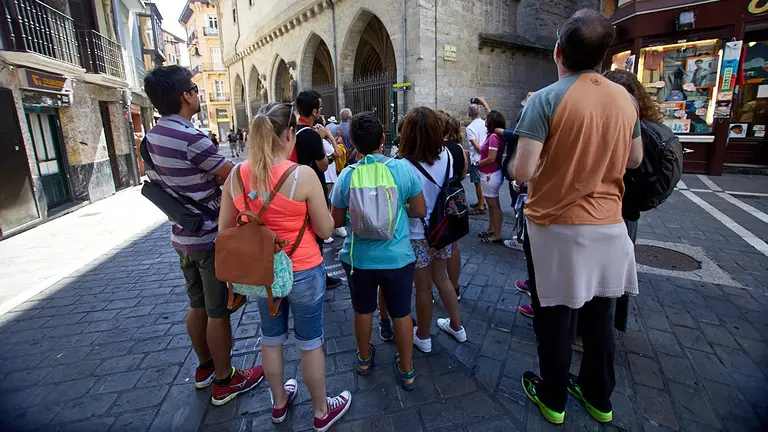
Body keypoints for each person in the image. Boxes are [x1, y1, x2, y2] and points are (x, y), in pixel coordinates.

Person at [510, 9, 643, 425]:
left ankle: (553, 399)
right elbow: (635, 159)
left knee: (554, 316)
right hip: (609, 225)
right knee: (599, 318)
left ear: (558, 52)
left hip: (556, 227)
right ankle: (599, 398)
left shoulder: (545, 99)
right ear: (604, 57)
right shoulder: (626, 99)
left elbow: (522, 171)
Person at [219, 103, 351, 429]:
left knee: (271, 338)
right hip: (304, 269)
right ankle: (321, 411)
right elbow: (325, 229)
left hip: (263, 273)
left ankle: (278, 403)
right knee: (310, 343)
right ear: (290, 134)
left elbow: (225, 231)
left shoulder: (236, 176)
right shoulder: (302, 176)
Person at [143, 66, 262, 406]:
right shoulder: (191, 138)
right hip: (210, 237)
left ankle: (205, 367)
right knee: (217, 311)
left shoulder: (150, 140)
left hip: (182, 236)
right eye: (194, 89)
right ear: (185, 95)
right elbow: (232, 176)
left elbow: (166, 182)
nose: (197, 94)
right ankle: (225, 380)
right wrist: (214, 180)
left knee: (196, 304)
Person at [330, 111, 427, 390]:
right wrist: (398, 209)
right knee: (401, 312)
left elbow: (336, 220)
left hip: (359, 259)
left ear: (353, 143)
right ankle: (407, 369)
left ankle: (364, 359)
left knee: (362, 310)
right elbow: (420, 210)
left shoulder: (347, 176)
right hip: (398, 257)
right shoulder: (402, 170)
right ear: (383, 139)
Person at [399, 107, 466, 353]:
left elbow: (404, 203)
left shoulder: (404, 165)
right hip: (442, 228)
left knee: (423, 287)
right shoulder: (447, 155)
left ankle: (423, 336)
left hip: (418, 234)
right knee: (442, 278)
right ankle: (457, 327)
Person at [604, 68, 666, 332]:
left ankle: (595, 331)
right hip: (630, 209)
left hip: (616, 207)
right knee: (618, 271)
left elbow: (629, 163)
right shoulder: (646, 125)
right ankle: (613, 323)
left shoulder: (628, 127)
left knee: (607, 273)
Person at [294, 90, 342, 290]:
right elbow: (323, 165)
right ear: (314, 111)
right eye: (320, 107)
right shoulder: (312, 136)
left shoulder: (293, 130)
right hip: (313, 186)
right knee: (318, 232)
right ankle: (320, 274)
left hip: (295, 184)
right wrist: (324, 138)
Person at [439, 111, 467, 301]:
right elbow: (463, 174)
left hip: (437, 201)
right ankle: (454, 286)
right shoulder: (458, 148)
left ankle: (431, 288)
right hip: (454, 199)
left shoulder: (434, 149)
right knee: (454, 246)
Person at [313, 116, 347, 242]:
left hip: (328, 174)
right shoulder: (323, 141)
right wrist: (331, 137)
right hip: (328, 176)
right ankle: (330, 229)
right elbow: (338, 153)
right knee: (329, 202)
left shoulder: (320, 141)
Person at [477, 111, 506, 245]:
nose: (485, 121)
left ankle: (496, 235)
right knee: (492, 204)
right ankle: (491, 229)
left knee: (494, 205)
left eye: (487, 119)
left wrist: (478, 164)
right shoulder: (494, 135)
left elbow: (491, 158)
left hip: (490, 173)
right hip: (490, 173)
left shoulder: (494, 137)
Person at [466, 98, 490, 215]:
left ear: (469, 113)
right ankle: (480, 202)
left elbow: (476, 145)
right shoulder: (485, 124)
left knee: (478, 183)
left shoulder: (470, 128)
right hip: (485, 158)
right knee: (481, 182)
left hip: (476, 159)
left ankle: (481, 206)